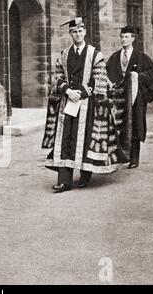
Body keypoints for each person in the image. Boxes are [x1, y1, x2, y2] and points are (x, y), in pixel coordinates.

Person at [41, 17, 127, 193]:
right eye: (74, 31)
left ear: (85, 32)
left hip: (87, 103)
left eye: (80, 31)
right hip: (67, 102)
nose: (78, 34)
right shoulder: (64, 55)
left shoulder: (95, 54)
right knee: (65, 139)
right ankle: (64, 181)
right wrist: (67, 91)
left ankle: (85, 175)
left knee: (85, 138)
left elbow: (100, 80)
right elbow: (57, 77)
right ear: (70, 34)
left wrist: (81, 93)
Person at [106, 26, 153, 169]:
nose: (124, 40)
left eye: (127, 37)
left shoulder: (142, 58)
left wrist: (136, 77)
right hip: (118, 100)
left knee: (135, 126)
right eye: (122, 37)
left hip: (136, 99)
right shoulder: (114, 57)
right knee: (118, 126)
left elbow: (152, 76)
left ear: (133, 39)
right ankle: (120, 155)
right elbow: (106, 74)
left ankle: (134, 158)